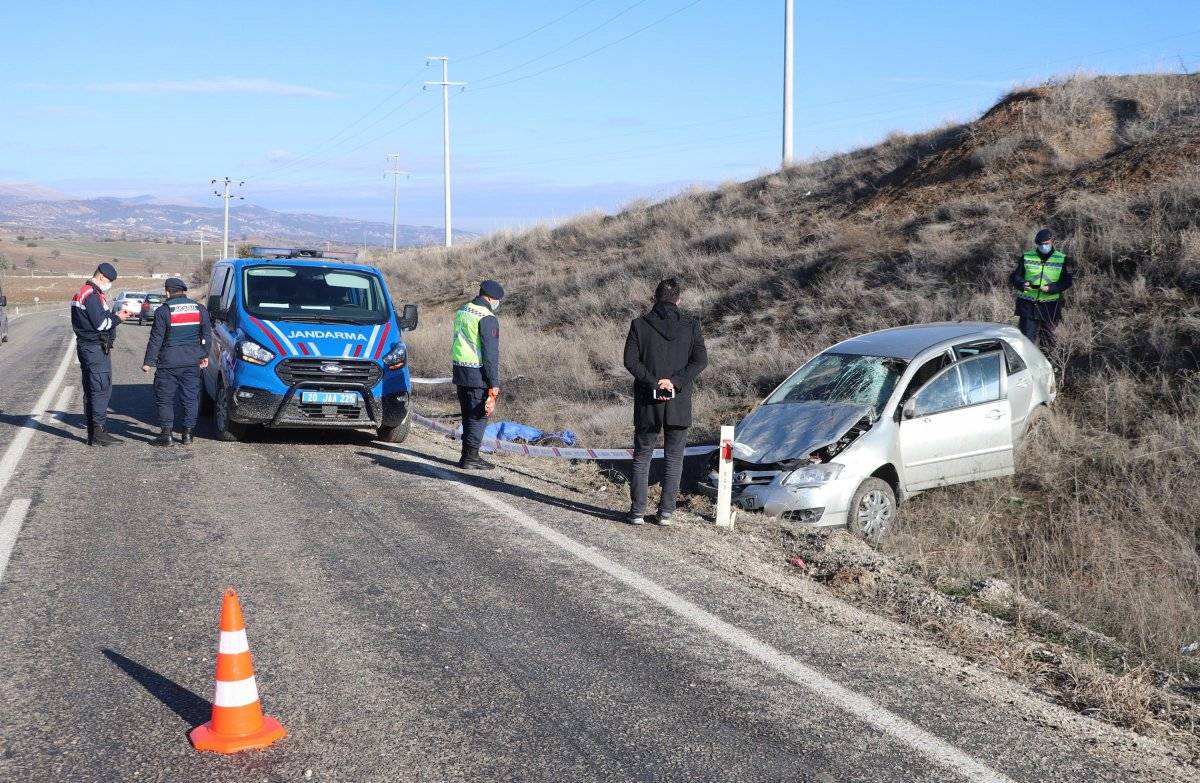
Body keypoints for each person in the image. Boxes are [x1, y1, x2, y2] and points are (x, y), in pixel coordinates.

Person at [622, 277, 708, 526]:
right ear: (678, 300)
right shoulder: (692, 326)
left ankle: (637, 512)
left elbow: (630, 361)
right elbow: (700, 361)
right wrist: (675, 382)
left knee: (642, 456)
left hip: (648, 401)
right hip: (678, 401)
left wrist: (653, 382)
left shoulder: (639, 325)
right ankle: (666, 513)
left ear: (656, 298)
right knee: (674, 458)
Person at [141, 278, 213, 446]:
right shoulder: (199, 309)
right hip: (191, 361)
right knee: (190, 398)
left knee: (165, 398)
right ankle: (187, 434)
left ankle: (166, 436)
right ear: (183, 291)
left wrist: (148, 362)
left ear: (167, 291)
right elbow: (207, 335)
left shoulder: (163, 311)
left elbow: (156, 339)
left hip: (168, 363)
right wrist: (204, 355)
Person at [70, 262, 130, 445]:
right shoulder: (91, 295)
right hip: (94, 348)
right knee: (100, 389)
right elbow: (101, 324)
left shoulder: (83, 292)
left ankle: (93, 432)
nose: (110, 283)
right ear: (101, 276)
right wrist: (119, 317)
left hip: (88, 347)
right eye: (109, 280)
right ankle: (98, 433)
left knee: (92, 389)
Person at [451, 280, 504, 470]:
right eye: (497, 300)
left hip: (460, 371)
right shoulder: (487, 317)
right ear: (491, 298)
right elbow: (490, 354)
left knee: (467, 415)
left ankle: (466, 455)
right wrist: (494, 382)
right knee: (479, 416)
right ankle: (471, 457)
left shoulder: (464, 309)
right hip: (477, 373)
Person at [1009, 228, 1076, 347]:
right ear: (1037, 244)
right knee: (1026, 342)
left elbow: (1067, 282)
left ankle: (1048, 365)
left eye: (1046, 244)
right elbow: (1015, 277)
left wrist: (1051, 288)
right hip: (1028, 306)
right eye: (1041, 244)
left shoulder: (1062, 259)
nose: (1044, 246)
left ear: (1052, 242)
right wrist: (1022, 284)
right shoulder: (1027, 256)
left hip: (1050, 307)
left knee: (1049, 343)